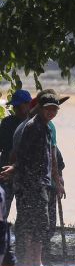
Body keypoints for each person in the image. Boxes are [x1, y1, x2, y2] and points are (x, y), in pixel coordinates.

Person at [0, 93, 62, 266]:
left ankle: (34, 261)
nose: (51, 112)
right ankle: (32, 262)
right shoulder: (32, 127)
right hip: (30, 182)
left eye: (54, 109)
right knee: (33, 222)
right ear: (40, 108)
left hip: (39, 181)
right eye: (48, 109)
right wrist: (15, 168)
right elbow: (22, 153)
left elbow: (51, 155)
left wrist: (57, 179)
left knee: (38, 222)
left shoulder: (45, 127)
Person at [0, 90, 32, 218]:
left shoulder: (35, 124)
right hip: (5, 171)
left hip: (26, 173)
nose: (16, 109)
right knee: (2, 210)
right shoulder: (7, 122)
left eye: (19, 106)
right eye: (14, 106)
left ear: (29, 104)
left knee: (25, 213)